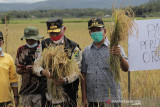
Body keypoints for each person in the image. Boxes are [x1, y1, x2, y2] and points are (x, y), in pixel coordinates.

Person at [81, 18, 129, 107]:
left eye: (98, 30)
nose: (96, 33)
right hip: (92, 99)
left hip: (111, 98)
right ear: (89, 33)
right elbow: (83, 74)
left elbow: (126, 68)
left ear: (105, 31)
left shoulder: (115, 48)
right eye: (93, 30)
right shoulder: (86, 51)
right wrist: (84, 98)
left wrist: (120, 56)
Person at [34, 18, 82, 107]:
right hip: (48, 96)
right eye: (51, 33)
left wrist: (65, 80)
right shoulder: (43, 45)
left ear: (64, 29)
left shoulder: (73, 47)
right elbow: (36, 65)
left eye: (57, 32)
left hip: (67, 95)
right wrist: (43, 72)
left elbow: (77, 69)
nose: (54, 35)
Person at [15, 26, 46, 107]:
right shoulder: (21, 50)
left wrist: (37, 69)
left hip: (41, 91)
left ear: (37, 39)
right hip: (26, 90)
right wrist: (25, 69)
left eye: (31, 40)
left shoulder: (44, 50)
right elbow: (17, 70)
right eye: (27, 39)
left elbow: (49, 69)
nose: (29, 42)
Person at [0, 31, 19, 107]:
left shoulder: (8, 58)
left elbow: (13, 80)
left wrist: (16, 96)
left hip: (5, 100)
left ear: (3, 42)